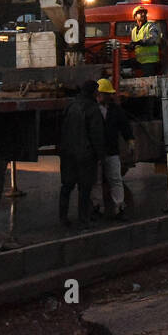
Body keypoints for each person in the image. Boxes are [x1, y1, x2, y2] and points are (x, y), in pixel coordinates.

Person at [58, 79, 105, 227]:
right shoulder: (93, 109)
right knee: (84, 189)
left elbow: (61, 128)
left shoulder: (71, 105)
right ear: (93, 92)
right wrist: (100, 155)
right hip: (85, 155)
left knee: (66, 186)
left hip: (68, 153)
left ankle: (63, 218)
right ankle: (84, 219)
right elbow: (97, 134)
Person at [91, 78, 134, 221]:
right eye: (106, 94)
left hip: (110, 150)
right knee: (96, 181)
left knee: (115, 179)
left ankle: (119, 206)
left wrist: (130, 140)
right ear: (99, 94)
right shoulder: (92, 109)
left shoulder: (115, 110)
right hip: (97, 152)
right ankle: (97, 207)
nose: (109, 97)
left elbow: (124, 125)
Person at [126, 6, 163, 76]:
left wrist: (139, 42)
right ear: (135, 17)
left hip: (151, 62)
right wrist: (130, 47)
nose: (143, 14)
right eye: (140, 13)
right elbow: (135, 45)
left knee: (148, 83)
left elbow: (153, 39)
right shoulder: (133, 31)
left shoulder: (151, 26)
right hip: (139, 61)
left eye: (144, 13)